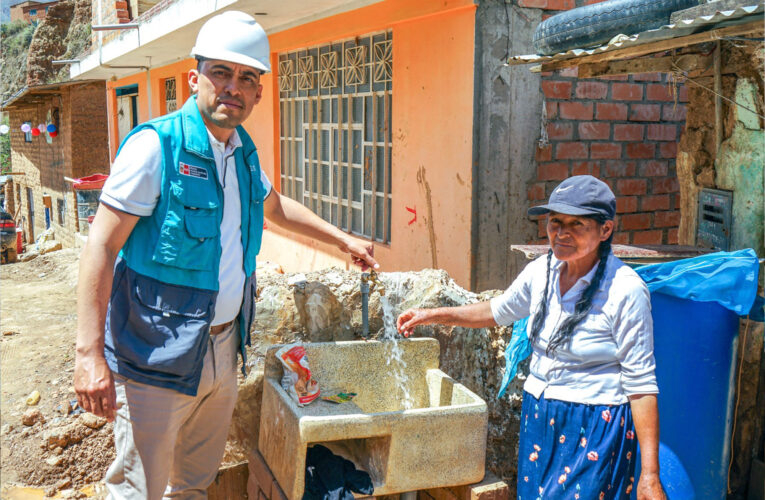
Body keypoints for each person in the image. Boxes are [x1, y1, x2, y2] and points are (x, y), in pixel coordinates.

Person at [74, 11, 379, 499]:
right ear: (195, 79)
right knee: (139, 491)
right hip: (154, 356)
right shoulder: (156, 148)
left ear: (259, 92)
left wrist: (341, 238)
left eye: (247, 78)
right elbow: (102, 245)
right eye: (221, 72)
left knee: (193, 485)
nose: (232, 87)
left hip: (220, 351)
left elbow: (274, 206)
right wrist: (89, 355)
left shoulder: (240, 152)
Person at [397, 175, 665, 500]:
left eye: (576, 224)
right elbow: (498, 310)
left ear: (605, 230)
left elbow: (641, 385)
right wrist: (434, 314)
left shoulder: (625, 290)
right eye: (555, 222)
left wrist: (649, 475)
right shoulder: (542, 271)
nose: (561, 233)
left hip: (594, 425)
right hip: (540, 416)